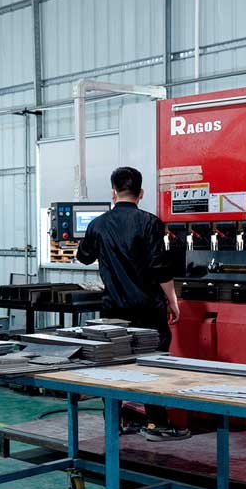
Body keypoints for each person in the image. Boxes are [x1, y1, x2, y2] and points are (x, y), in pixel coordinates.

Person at [77, 166, 190, 442]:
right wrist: (173, 301)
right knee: (153, 364)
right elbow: (160, 268)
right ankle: (156, 424)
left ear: (113, 193)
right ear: (141, 193)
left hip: (113, 311)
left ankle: (113, 423)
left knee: (111, 366)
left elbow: (83, 257)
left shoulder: (98, 224)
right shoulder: (150, 223)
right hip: (148, 310)